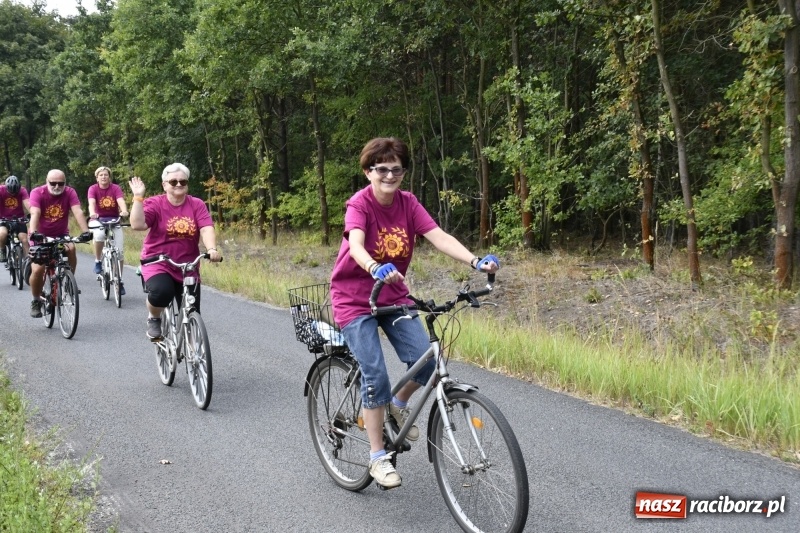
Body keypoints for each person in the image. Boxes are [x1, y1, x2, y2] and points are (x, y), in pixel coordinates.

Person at [329, 137, 499, 489]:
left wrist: (475, 261)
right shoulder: (359, 204)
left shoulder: (408, 203)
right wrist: (374, 266)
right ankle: (377, 456)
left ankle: (396, 403)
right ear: (368, 172)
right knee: (375, 374)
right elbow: (356, 245)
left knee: (428, 361)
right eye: (381, 169)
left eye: (397, 169)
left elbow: (439, 236)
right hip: (354, 300)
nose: (390, 175)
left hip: (393, 297)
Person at [128, 163, 222, 339]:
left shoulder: (196, 204)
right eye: (173, 182)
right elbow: (138, 224)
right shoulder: (155, 203)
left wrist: (211, 249)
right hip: (158, 261)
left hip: (188, 264)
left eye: (183, 181)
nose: (179, 184)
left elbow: (206, 228)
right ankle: (154, 317)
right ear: (164, 185)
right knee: (162, 292)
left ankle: (193, 348)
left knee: (192, 309)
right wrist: (138, 197)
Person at [28, 170, 91, 318]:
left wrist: (86, 231)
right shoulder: (37, 192)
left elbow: (77, 211)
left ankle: (69, 281)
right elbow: (35, 213)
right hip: (40, 235)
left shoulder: (69, 192)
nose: (57, 186)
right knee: (38, 270)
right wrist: (34, 232)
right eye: (53, 183)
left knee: (71, 247)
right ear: (47, 181)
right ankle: (36, 300)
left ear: (65, 183)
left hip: (61, 234)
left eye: (60, 183)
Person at [88, 166, 129, 294]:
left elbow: (120, 200)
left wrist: (124, 210)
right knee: (99, 235)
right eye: (101, 175)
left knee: (120, 252)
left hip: (114, 220)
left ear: (109, 177)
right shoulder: (93, 189)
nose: (103, 177)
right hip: (98, 219)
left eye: (106, 175)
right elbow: (91, 203)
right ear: (97, 178)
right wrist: (92, 213)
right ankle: (98, 261)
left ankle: (119, 280)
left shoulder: (115, 188)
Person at [0, 175, 31, 261]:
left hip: (19, 219)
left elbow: (28, 203)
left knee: (24, 239)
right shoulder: (1, 190)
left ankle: (28, 261)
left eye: (15, 192)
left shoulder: (22, 190)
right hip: (3, 219)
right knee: (2, 234)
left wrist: (33, 213)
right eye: (11, 192)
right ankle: (2, 250)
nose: (13, 194)